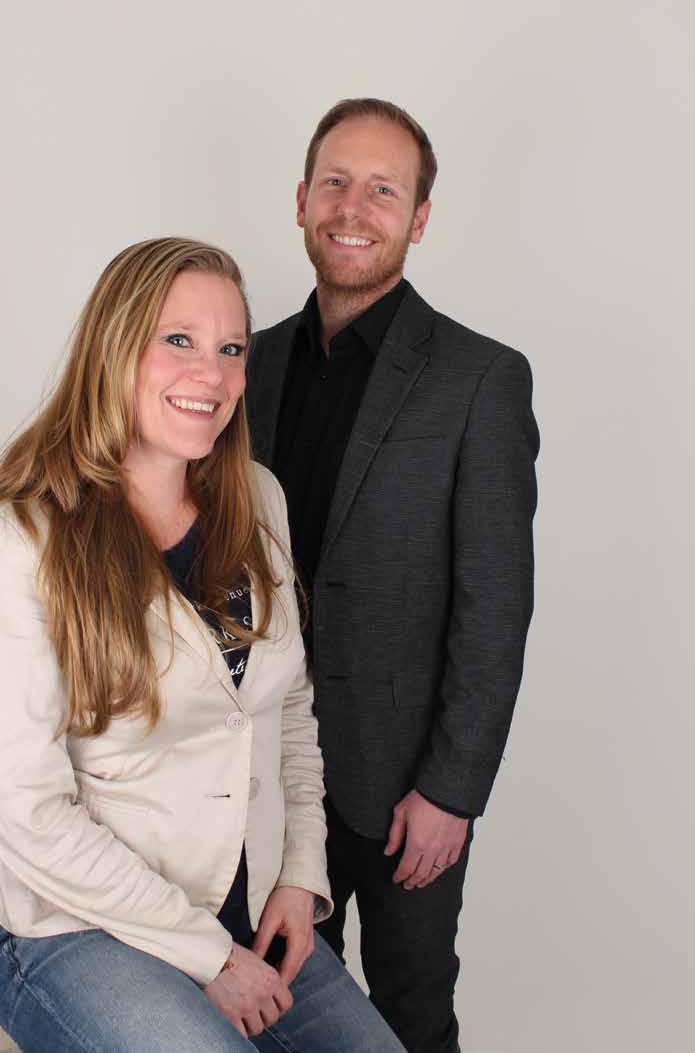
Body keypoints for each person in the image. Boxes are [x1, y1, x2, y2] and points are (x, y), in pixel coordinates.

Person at [0, 238, 403, 1053]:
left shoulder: (258, 498)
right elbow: (26, 813)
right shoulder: (24, 537)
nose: (211, 375)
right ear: (115, 345)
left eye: (232, 350)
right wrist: (209, 953)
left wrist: (300, 876)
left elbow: (288, 710)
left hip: (247, 908)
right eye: (179, 340)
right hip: (77, 926)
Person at [245, 100, 539, 1052]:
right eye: (335, 182)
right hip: (264, 774)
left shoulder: (480, 379)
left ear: (418, 218)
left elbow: (495, 605)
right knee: (276, 1009)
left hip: (406, 785)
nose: (353, 207)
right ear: (301, 199)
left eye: (383, 189)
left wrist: (452, 789)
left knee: (410, 1013)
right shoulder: (246, 363)